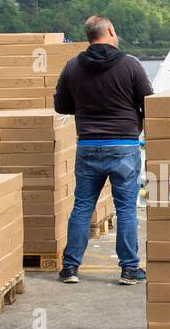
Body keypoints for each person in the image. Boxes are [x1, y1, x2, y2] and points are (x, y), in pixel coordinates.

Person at [53, 15, 153, 286]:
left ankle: (70, 268)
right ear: (110, 30)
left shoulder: (72, 66)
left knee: (83, 206)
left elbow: (61, 106)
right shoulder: (130, 65)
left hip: (88, 146)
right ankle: (129, 269)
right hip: (124, 146)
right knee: (125, 209)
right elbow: (149, 101)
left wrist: (87, 107)